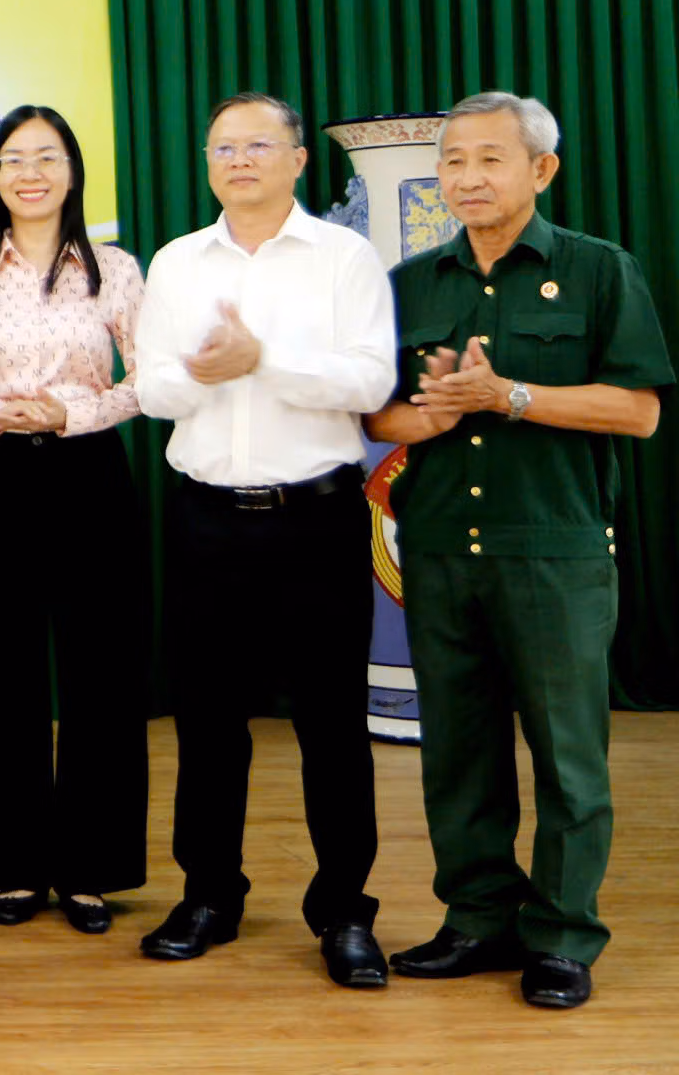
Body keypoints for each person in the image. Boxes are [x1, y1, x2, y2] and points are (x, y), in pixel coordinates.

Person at [364, 92, 670, 1010]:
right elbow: (377, 419)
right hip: (440, 548)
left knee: (568, 758)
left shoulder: (598, 270)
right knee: (460, 753)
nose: (467, 178)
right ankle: (477, 919)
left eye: (489, 159)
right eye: (452, 161)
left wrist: (512, 397)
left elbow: (639, 412)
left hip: (555, 551)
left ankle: (563, 937)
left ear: (542, 169)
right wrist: (435, 412)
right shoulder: (411, 283)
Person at [133, 91, 395, 988]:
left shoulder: (343, 257)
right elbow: (153, 390)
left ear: (296, 160)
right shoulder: (177, 262)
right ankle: (209, 895)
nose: (239, 160)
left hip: (316, 517)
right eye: (223, 147)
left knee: (332, 724)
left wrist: (264, 362)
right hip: (206, 517)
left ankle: (345, 911)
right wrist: (206, 375)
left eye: (257, 145)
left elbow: (370, 380)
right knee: (207, 722)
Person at [0, 105, 148, 935]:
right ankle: (13, 865)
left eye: (47, 157)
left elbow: (149, 379)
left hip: (87, 471)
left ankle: (92, 868)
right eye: (13, 160)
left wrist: (72, 414)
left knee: (102, 668)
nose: (30, 173)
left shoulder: (117, 270)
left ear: (73, 171)